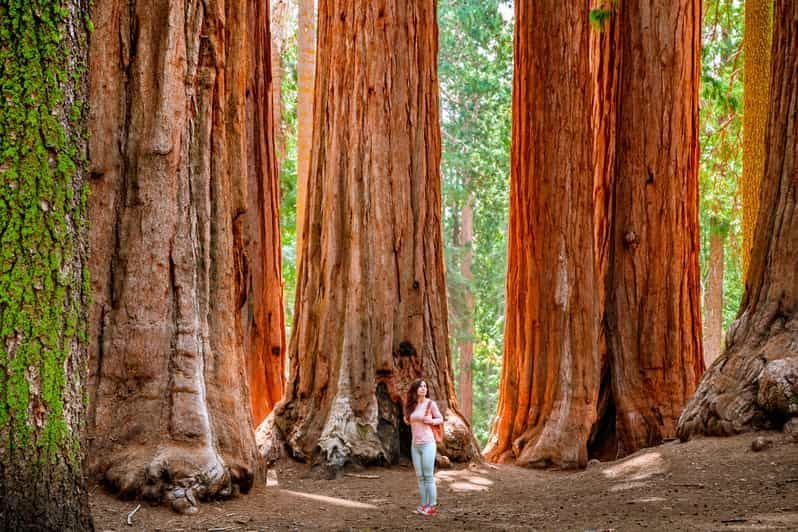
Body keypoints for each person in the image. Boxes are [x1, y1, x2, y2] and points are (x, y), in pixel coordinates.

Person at [404, 379, 443, 516]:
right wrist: (408, 419)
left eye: (425, 386)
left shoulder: (430, 404)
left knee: (428, 476)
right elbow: (410, 420)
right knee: (420, 477)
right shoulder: (412, 406)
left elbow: (440, 419)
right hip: (415, 445)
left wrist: (432, 420)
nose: (423, 388)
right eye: (420, 386)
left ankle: (431, 506)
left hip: (428, 444)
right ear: (415, 389)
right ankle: (423, 504)